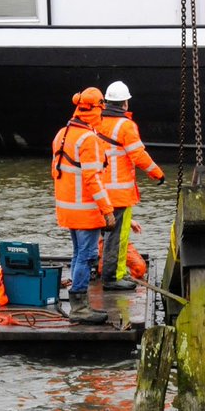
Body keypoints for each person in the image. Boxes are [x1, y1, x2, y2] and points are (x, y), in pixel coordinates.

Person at [51, 86, 116, 324]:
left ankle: (79, 303)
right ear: (97, 109)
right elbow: (92, 178)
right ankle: (79, 307)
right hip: (86, 211)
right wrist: (107, 210)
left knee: (78, 254)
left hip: (68, 209)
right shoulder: (88, 139)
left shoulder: (63, 133)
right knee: (87, 256)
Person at [96, 81, 165, 291]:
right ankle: (113, 277)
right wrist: (158, 174)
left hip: (97, 191)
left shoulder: (96, 122)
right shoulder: (126, 126)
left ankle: (100, 270)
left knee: (101, 234)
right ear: (125, 103)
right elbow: (138, 155)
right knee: (117, 237)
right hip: (119, 195)